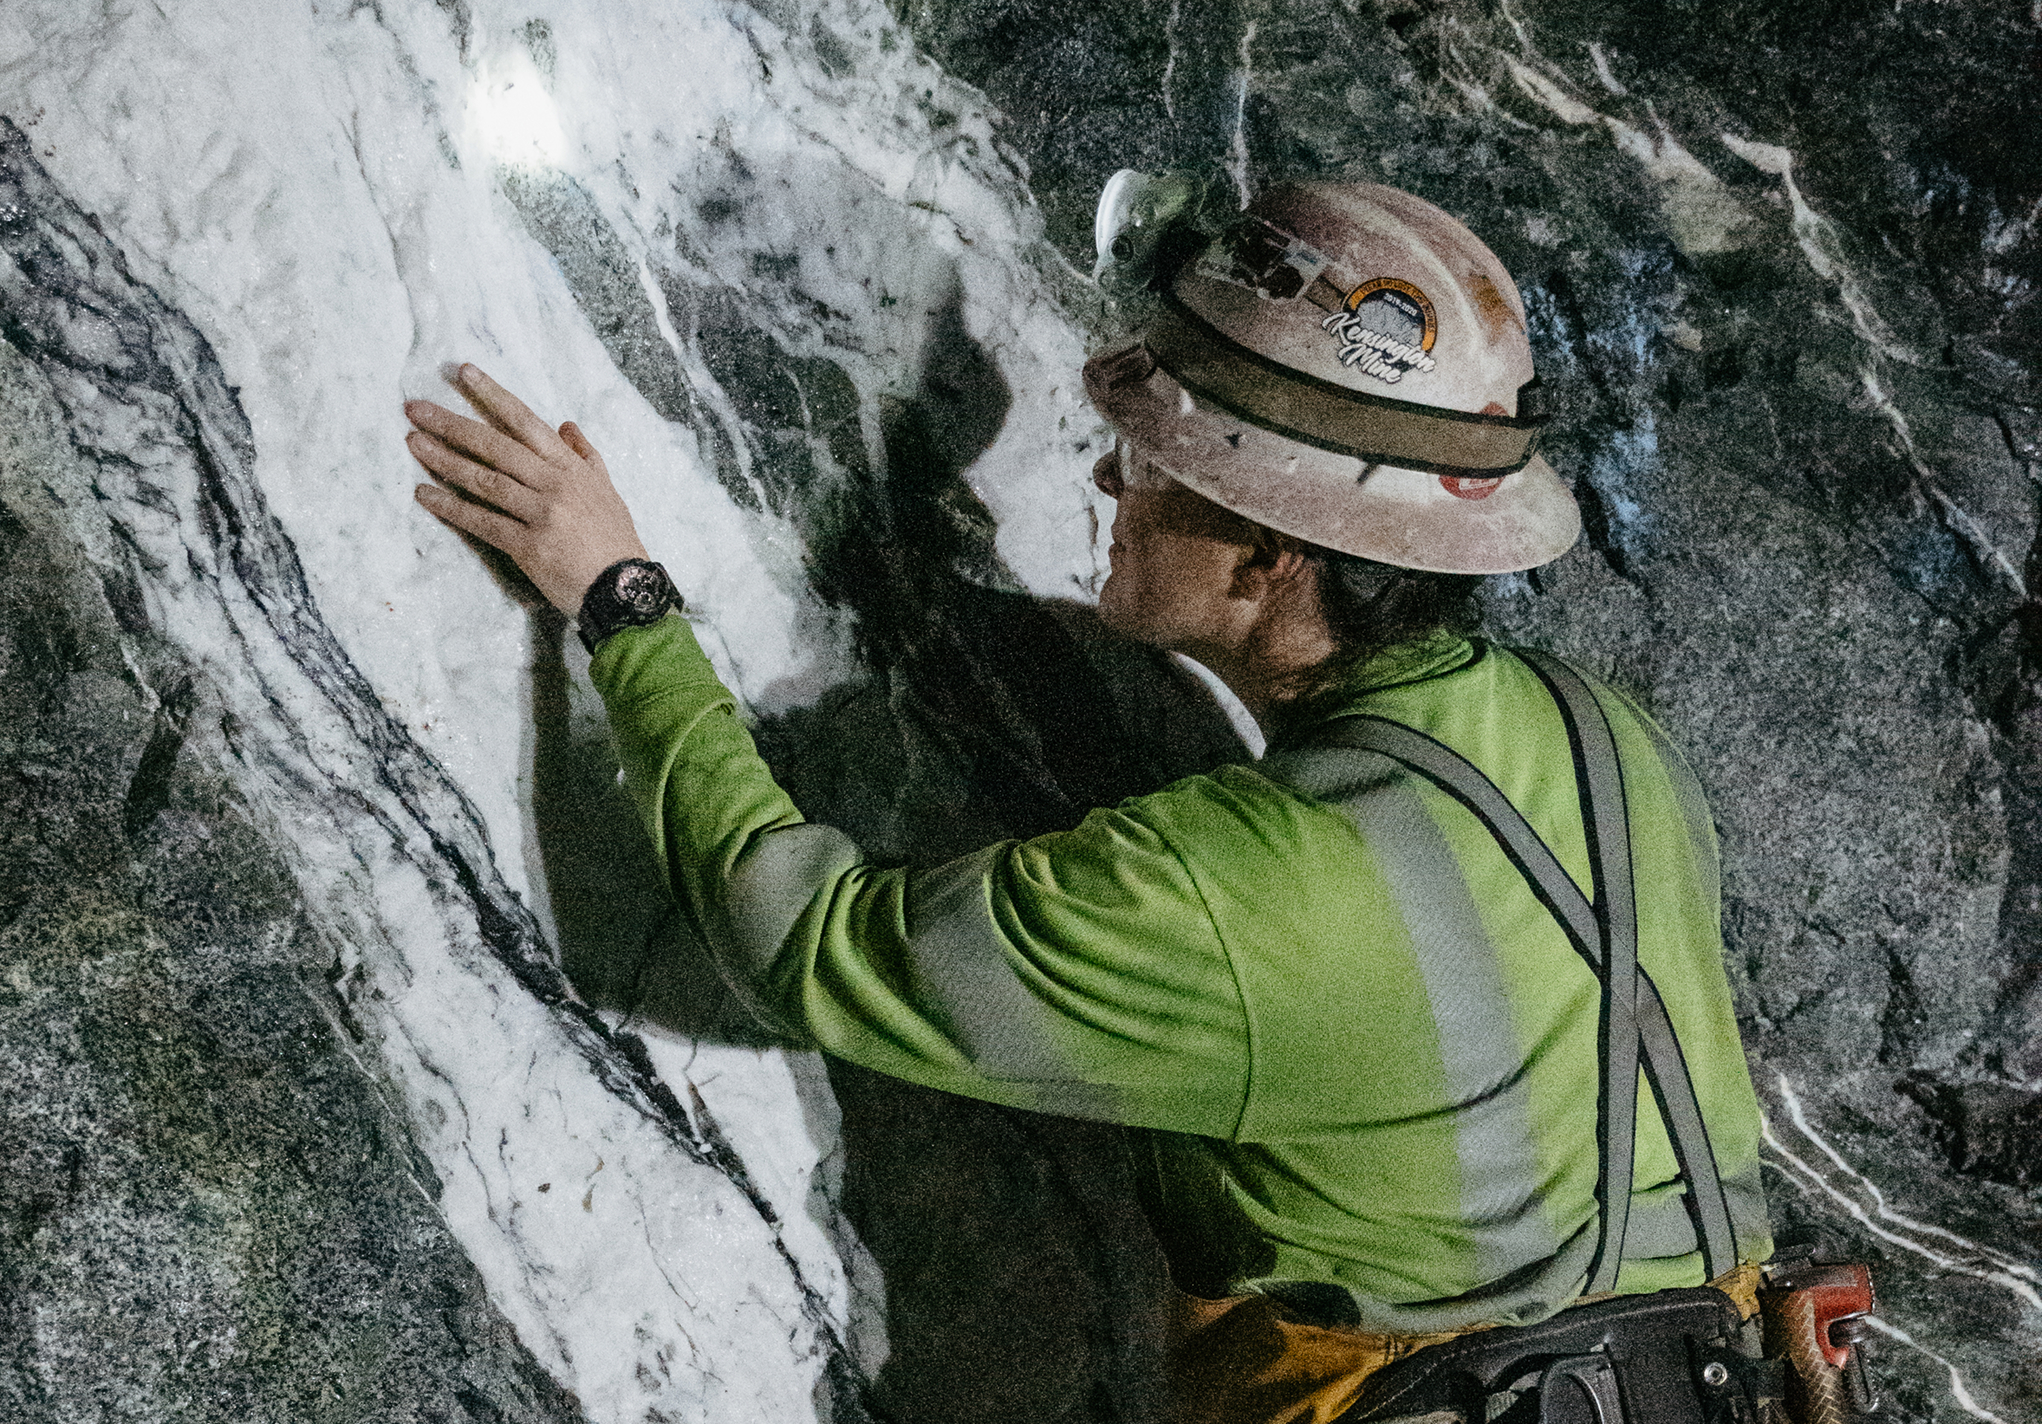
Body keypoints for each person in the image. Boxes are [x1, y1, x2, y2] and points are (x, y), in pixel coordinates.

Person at [402, 181, 1776, 1424]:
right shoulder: (1603, 736)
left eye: (1158, 461)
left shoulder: (1228, 891)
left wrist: (620, 599)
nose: (1111, 478)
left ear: (1268, 550)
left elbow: (800, 940)